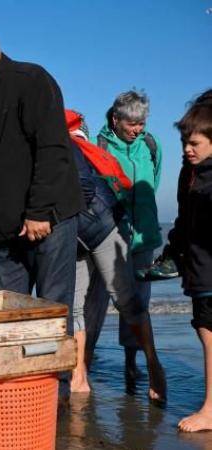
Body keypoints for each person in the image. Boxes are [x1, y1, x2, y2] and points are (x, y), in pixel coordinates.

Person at [0, 28, 82, 333]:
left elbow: (53, 150)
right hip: (4, 234)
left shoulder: (32, 81)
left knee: (50, 314)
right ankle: (15, 382)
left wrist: (39, 211)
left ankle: (55, 382)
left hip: (48, 222)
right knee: (7, 318)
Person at [66, 110, 166, 400]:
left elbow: (91, 192)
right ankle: (79, 374)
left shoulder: (79, 150)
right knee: (78, 307)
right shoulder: (89, 146)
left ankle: (153, 365)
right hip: (75, 240)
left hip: (102, 230)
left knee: (125, 299)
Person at [165, 90, 212, 432]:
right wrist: (172, 251)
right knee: (205, 330)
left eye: (194, 142)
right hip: (198, 266)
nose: (187, 149)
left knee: (210, 334)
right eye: (184, 142)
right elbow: (183, 221)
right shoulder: (189, 174)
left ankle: (210, 410)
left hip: (209, 270)